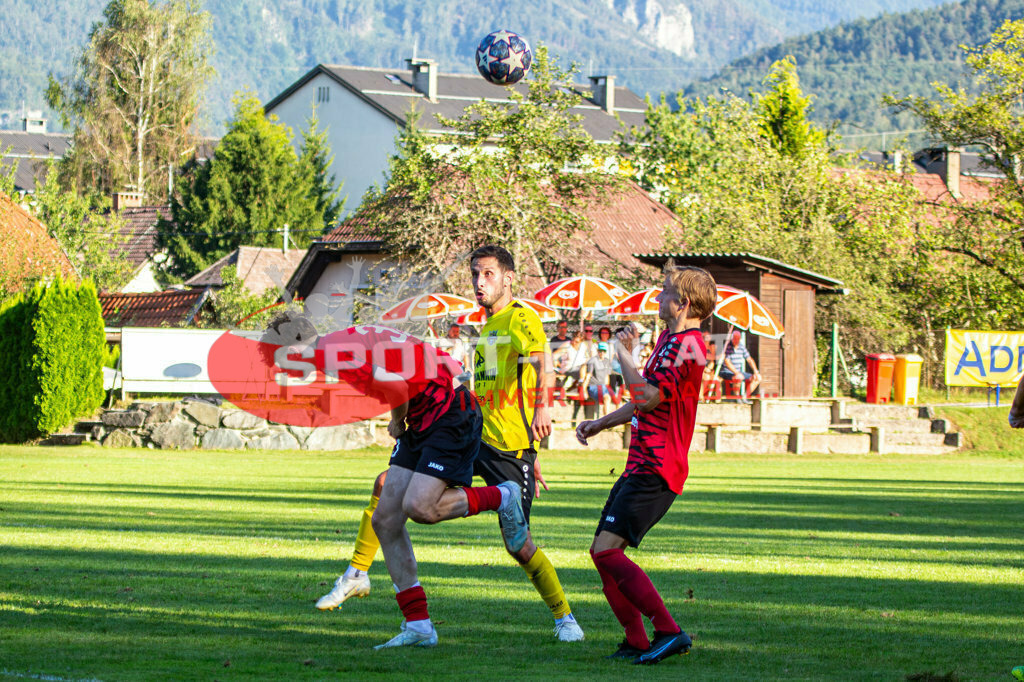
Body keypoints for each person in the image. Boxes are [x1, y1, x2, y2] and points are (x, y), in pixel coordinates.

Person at [317, 246, 585, 644]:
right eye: (476, 274)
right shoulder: (488, 327)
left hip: (508, 448)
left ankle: (566, 618)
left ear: (509, 278)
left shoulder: (521, 317)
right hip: (470, 434)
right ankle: (357, 573)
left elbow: (539, 363)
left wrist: (541, 421)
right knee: (385, 485)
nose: (480, 282)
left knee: (519, 544)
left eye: (489, 274)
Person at [271, 318, 528, 649]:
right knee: (386, 520)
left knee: (420, 507)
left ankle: (501, 496)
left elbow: (395, 387)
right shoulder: (338, 343)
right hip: (423, 415)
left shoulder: (335, 352)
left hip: (449, 413)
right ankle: (419, 625)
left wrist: (397, 421)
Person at [574, 265, 717, 665]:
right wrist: (601, 424)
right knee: (600, 552)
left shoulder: (689, 346)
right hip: (640, 464)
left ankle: (669, 631)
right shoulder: (670, 340)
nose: (658, 296)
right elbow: (642, 400)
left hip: (658, 468)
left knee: (607, 553)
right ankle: (636, 640)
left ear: (683, 303)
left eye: (665, 290)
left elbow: (648, 396)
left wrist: (622, 354)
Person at [720, 330, 761, 402]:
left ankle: (745, 396)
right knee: (738, 377)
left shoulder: (742, 347)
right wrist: (736, 372)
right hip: (727, 372)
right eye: (734, 339)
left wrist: (756, 371)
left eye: (738, 339)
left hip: (738, 372)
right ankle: (737, 397)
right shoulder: (727, 347)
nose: (736, 340)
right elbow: (727, 362)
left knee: (758, 378)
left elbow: (749, 360)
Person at [582, 341, 614, 420]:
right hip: (593, 386)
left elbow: (607, 377)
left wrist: (608, 388)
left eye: (604, 351)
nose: (602, 353)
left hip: (603, 387)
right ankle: (607, 420)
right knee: (607, 398)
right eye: (600, 351)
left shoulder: (607, 362)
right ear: (597, 351)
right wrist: (584, 390)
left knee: (615, 397)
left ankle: (612, 420)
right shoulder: (592, 361)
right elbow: (588, 375)